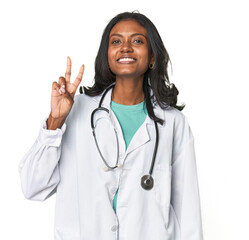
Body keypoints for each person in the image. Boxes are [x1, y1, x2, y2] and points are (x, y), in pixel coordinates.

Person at [18, 11, 203, 240]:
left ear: (153, 56)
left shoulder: (173, 123)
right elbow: (32, 186)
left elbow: (188, 214)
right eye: (116, 41)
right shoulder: (77, 111)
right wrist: (55, 121)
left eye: (137, 41)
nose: (125, 47)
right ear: (107, 55)